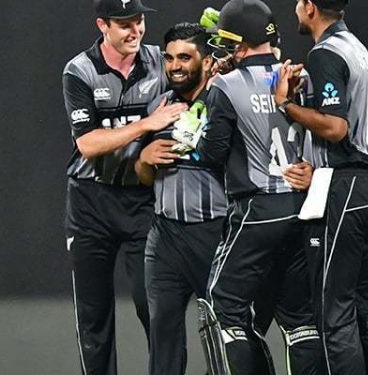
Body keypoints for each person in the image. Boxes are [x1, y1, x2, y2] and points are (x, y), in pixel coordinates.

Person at [186, 1, 324, 374]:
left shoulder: (226, 86)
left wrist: (196, 128)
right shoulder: (300, 77)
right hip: (305, 204)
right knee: (301, 321)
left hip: (257, 209)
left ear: (239, 44)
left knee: (221, 308)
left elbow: (210, 154)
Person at [61, 0, 186, 373]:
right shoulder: (80, 71)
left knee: (156, 308)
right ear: (102, 25)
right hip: (90, 202)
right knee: (94, 318)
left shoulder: (159, 62)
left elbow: (194, 83)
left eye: (139, 20)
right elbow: (88, 143)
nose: (135, 30)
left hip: (143, 199)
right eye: (124, 24)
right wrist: (146, 125)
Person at [274, 1, 368, 374]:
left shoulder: (325, 53)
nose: (295, 9)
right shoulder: (356, 47)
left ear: (311, 7)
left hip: (348, 189)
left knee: (335, 315)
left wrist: (285, 105)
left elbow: (336, 127)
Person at [133, 22, 227, 375]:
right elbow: (144, 178)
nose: (175, 66)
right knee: (163, 335)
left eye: (185, 57)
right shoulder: (161, 106)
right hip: (165, 236)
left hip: (214, 233)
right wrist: (144, 159)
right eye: (170, 57)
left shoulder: (223, 103)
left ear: (206, 62)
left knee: (224, 333)